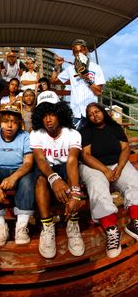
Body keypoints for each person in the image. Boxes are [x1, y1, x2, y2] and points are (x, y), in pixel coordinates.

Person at [79, 102, 138, 258]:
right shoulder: (86, 131)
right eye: (90, 114)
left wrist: (119, 167)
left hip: (117, 163)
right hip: (95, 166)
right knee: (97, 186)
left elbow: (125, 148)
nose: (94, 115)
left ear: (103, 112)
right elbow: (86, 155)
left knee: (134, 181)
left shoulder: (114, 127)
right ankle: (111, 229)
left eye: (96, 111)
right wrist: (105, 170)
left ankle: (135, 221)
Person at [30, 93, 85, 259]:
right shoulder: (36, 133)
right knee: (40, 180)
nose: (48, 120)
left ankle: (73, 224)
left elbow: (72, 161)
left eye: (52, 114)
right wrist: (54, 179)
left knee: (71, 176)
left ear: (60, 113)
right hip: (46, 168)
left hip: (66, 166)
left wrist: (75, 193)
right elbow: (40, 159)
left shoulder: (73, 133)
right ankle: (47, 227)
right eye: (44, 115)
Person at [0, 104, 35, 246]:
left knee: (28, 180)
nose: (9, 126)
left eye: (14, 122)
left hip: (18, 170)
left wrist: (13, 177)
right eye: (6, 121)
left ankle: (21, 227)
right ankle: (1, 228)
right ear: (0, 122)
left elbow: (28, 163)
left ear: (19, 123)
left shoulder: (25, 136)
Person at [51, 39, 105, 130]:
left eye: (81, 50)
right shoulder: (70, 68)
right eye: (76, 51)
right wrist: (57, 66)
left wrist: (86, 78)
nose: (78, 53)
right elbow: (54, 80)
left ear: (86, 50)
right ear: (73, 53)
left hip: (91, 112)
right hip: (75, 112)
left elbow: (99, 92)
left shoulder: (96, 67)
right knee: (75, 140)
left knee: (92, 140)